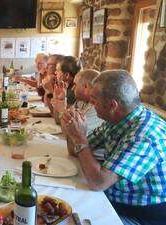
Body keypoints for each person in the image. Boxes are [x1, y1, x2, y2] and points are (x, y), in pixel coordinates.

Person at [61, 70, 166, 225]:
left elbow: (98, 182)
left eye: (94, 100)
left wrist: (79, 137)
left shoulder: (144, 136)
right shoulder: (116, 120)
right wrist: (74, 131)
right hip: (112, 196)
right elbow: (75, 151)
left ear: (112, 105)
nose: (92, 105)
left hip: (141, 215)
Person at [53, 69, 104, 158]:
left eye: (75, 85)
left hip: (91, 160)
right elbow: (58, 121)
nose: (72, 88)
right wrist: (60, 100)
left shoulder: (96, 109)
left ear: (85, 87)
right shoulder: (81, 102)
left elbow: (73, 147)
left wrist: (62, 110)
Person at [52, 56, 81, 122]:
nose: (55, 72)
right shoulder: (66, 87)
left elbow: (60, 119)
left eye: (57, 70)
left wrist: (48, 92)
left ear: (67, 75)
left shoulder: (74, 92)